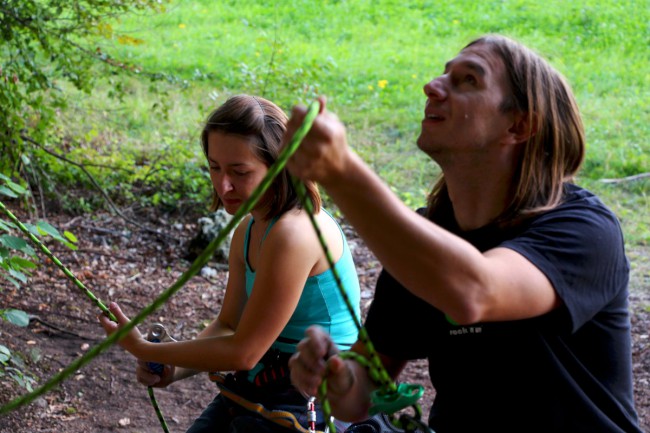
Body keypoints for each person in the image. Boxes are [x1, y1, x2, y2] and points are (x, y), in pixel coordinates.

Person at [285, 35, 642, 433]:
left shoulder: (583, 229)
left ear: (519, 125)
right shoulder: (425, 244)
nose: (432, 86)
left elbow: (473, 291)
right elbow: (360, 397)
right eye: (443, 73)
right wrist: (334, 375)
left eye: (467, 79)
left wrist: (342, 172)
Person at [99, 95, 361, 433]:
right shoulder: (249, 228)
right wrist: (171, 369)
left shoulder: (295, 233)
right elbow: (229, 323)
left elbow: (244, 352)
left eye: (240, 171)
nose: (223, 185)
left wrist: (146, 348)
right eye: (214, 167)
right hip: (264, 385)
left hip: (318, 397)